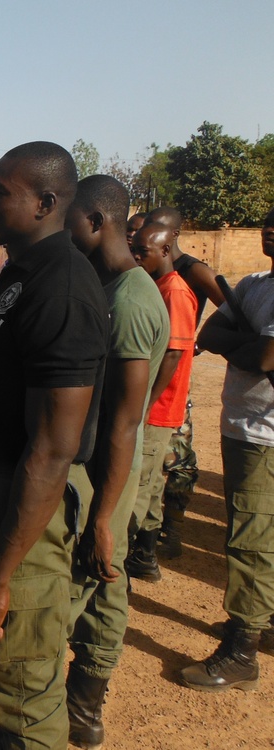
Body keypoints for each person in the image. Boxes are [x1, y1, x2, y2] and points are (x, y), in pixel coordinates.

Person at [0, 142, 109, 750]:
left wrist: (2, 576)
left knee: (22, 676)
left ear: (46, 202)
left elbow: (53, 451)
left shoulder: (61, 288)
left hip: (24, 506)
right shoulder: (23, 267)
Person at [63, 176, 169, 750]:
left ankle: (59, 713)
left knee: (83, 578)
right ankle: (84, 711)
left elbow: (127, 420)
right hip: (103, 465)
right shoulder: (109, 286)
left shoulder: (129, 301)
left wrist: (104, 516)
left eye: (70, 221)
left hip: (108, 471)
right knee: (106, 585)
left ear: (98, 221)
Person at [179, 206, 274, 692]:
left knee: (251, 539)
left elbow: (265, 357)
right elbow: (210, 334)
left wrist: (246, 345)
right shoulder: (256, 284)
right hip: (243, 425)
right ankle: (261, 620)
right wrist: (248, 344)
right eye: (268, 221)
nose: (270, 229)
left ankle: (242, 651)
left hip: (264, 434)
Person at [147, 207, 226, 559]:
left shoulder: (193, 271)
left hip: (172, 375)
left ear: (174, 234)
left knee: (179, 459)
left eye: (158, 229)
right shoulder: (148, 265)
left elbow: (231, 313)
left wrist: (196, 343)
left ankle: (172, 528)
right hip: (151, 368)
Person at [126, 223, 198, 583]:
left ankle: (126, 559)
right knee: (150, 486)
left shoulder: (175, 293)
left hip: (158, 408)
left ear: (166, 250)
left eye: (144, 251)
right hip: (153, 408)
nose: (136, 256)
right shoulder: (157, 285)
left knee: (138, 488)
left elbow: (173, 354)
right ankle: (145, 557)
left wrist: (144, 403)